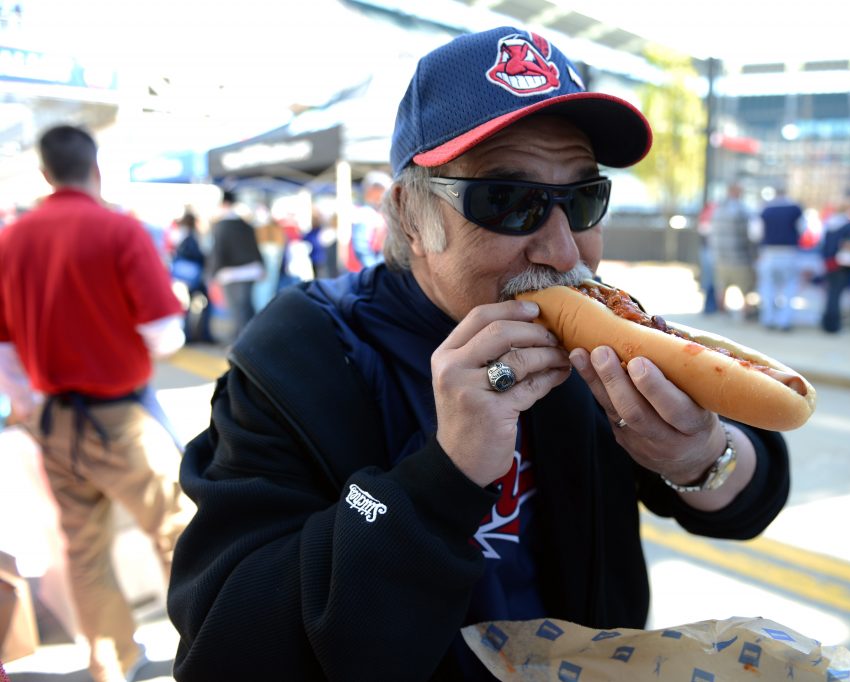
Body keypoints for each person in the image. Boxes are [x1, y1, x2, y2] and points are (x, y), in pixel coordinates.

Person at [167, 28, 790, 681]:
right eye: (509, 201)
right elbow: (226, 645)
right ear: (412, 215)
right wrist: (442, 478)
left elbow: (754, 494)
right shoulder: (301, 353)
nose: (562, 251)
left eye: (582, 200)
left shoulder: (599, 320)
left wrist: (699, 458)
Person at [0, 124, 195, 682]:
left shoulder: (11, 238)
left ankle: (110, 663)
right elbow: (164, 333)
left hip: (53, 417)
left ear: (44, 174)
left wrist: (31, 404)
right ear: (96, 169)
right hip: (120, 415)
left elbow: (4, 345)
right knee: (178, 528)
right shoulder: (118, 229)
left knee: (84, 548)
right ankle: (205, 645)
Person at [208, 189, 264, 342]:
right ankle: (254, 337)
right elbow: (255, 246)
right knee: (247, 306)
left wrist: (212, 273)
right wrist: (261, 266)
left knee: (237, 309)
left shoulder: (221, 226)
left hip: (231, 273)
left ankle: (243, 341)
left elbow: (218, 251)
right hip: (251, 270)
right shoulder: (245, 224)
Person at [756, 186, 805, 331]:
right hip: (789, 252)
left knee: (767, 286)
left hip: (769, 252)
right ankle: (785, 321)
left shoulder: (765, 210)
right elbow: (803, 229)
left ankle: (768, 319)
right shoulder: (795, 209)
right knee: (789, 287)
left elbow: (756, 233)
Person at [709, 182, 758, 318]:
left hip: (720, 257)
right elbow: (750, 235)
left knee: (722, 286)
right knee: (746, 288)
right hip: (739, 257)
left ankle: (722, 313)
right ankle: (746, 313)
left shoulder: (717, 209)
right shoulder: (742, 210)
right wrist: (753, 254)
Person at [819, 193, 850, 334]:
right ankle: (833, 324)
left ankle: (828, 321)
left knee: (831, 293)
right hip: (841, 263)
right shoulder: (848, 225)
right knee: (836, 295)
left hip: (830, 262)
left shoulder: (830, 223)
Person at [171, 210, 215, 344]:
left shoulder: (179, 234)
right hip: (194, 276)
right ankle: (199, 334)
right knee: (201, 304)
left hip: (183, 276)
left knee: (187, 305)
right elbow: (196, 255)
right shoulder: (192, 236)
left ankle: (189, 334)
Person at [345, 170, 392, 272]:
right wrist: (375, 270)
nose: (381, 194)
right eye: (378, 189)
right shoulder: (363, 213)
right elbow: (361, 247)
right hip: (364, 270)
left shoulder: (382, 212)